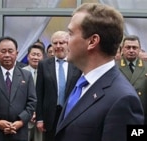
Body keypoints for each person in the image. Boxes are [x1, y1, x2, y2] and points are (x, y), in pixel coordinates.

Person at [55, 3, 144, 141]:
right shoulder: (82, 82)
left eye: (71, 33)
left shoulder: (124, 99)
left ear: (92, 41)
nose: (65, 40)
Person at [0, 36, 37, 141]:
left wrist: (21, 121)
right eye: (3, 51)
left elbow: (32, 102)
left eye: (10, 51)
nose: (7, 55)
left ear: (17, 53)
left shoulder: (26, 76)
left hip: (19, 132)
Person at [36, 31, 81, 141]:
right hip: (50, 117)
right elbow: (39, 93)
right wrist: (39, 119)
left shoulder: (77, 63)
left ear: (68, 44)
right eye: (55, 43)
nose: (58, 46)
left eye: (62, 43)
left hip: (70, 114)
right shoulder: (44, 65)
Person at [117, 35, 147, 124]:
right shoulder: (114, 67)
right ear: (122, 49)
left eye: (134, 48)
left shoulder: (146, 67)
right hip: (120, 114)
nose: (131, 50)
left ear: (139, 49)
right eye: (128, 47)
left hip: (142, 115)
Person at [23, 44, 44, 141]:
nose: (35, 57)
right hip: (23, 119)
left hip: (41, 120)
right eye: (33, 54)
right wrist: (29, 113)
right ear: (28, 57)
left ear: (43, 57)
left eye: (38, 55)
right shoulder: (20, 72)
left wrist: (39, 114)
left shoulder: (47, 73)